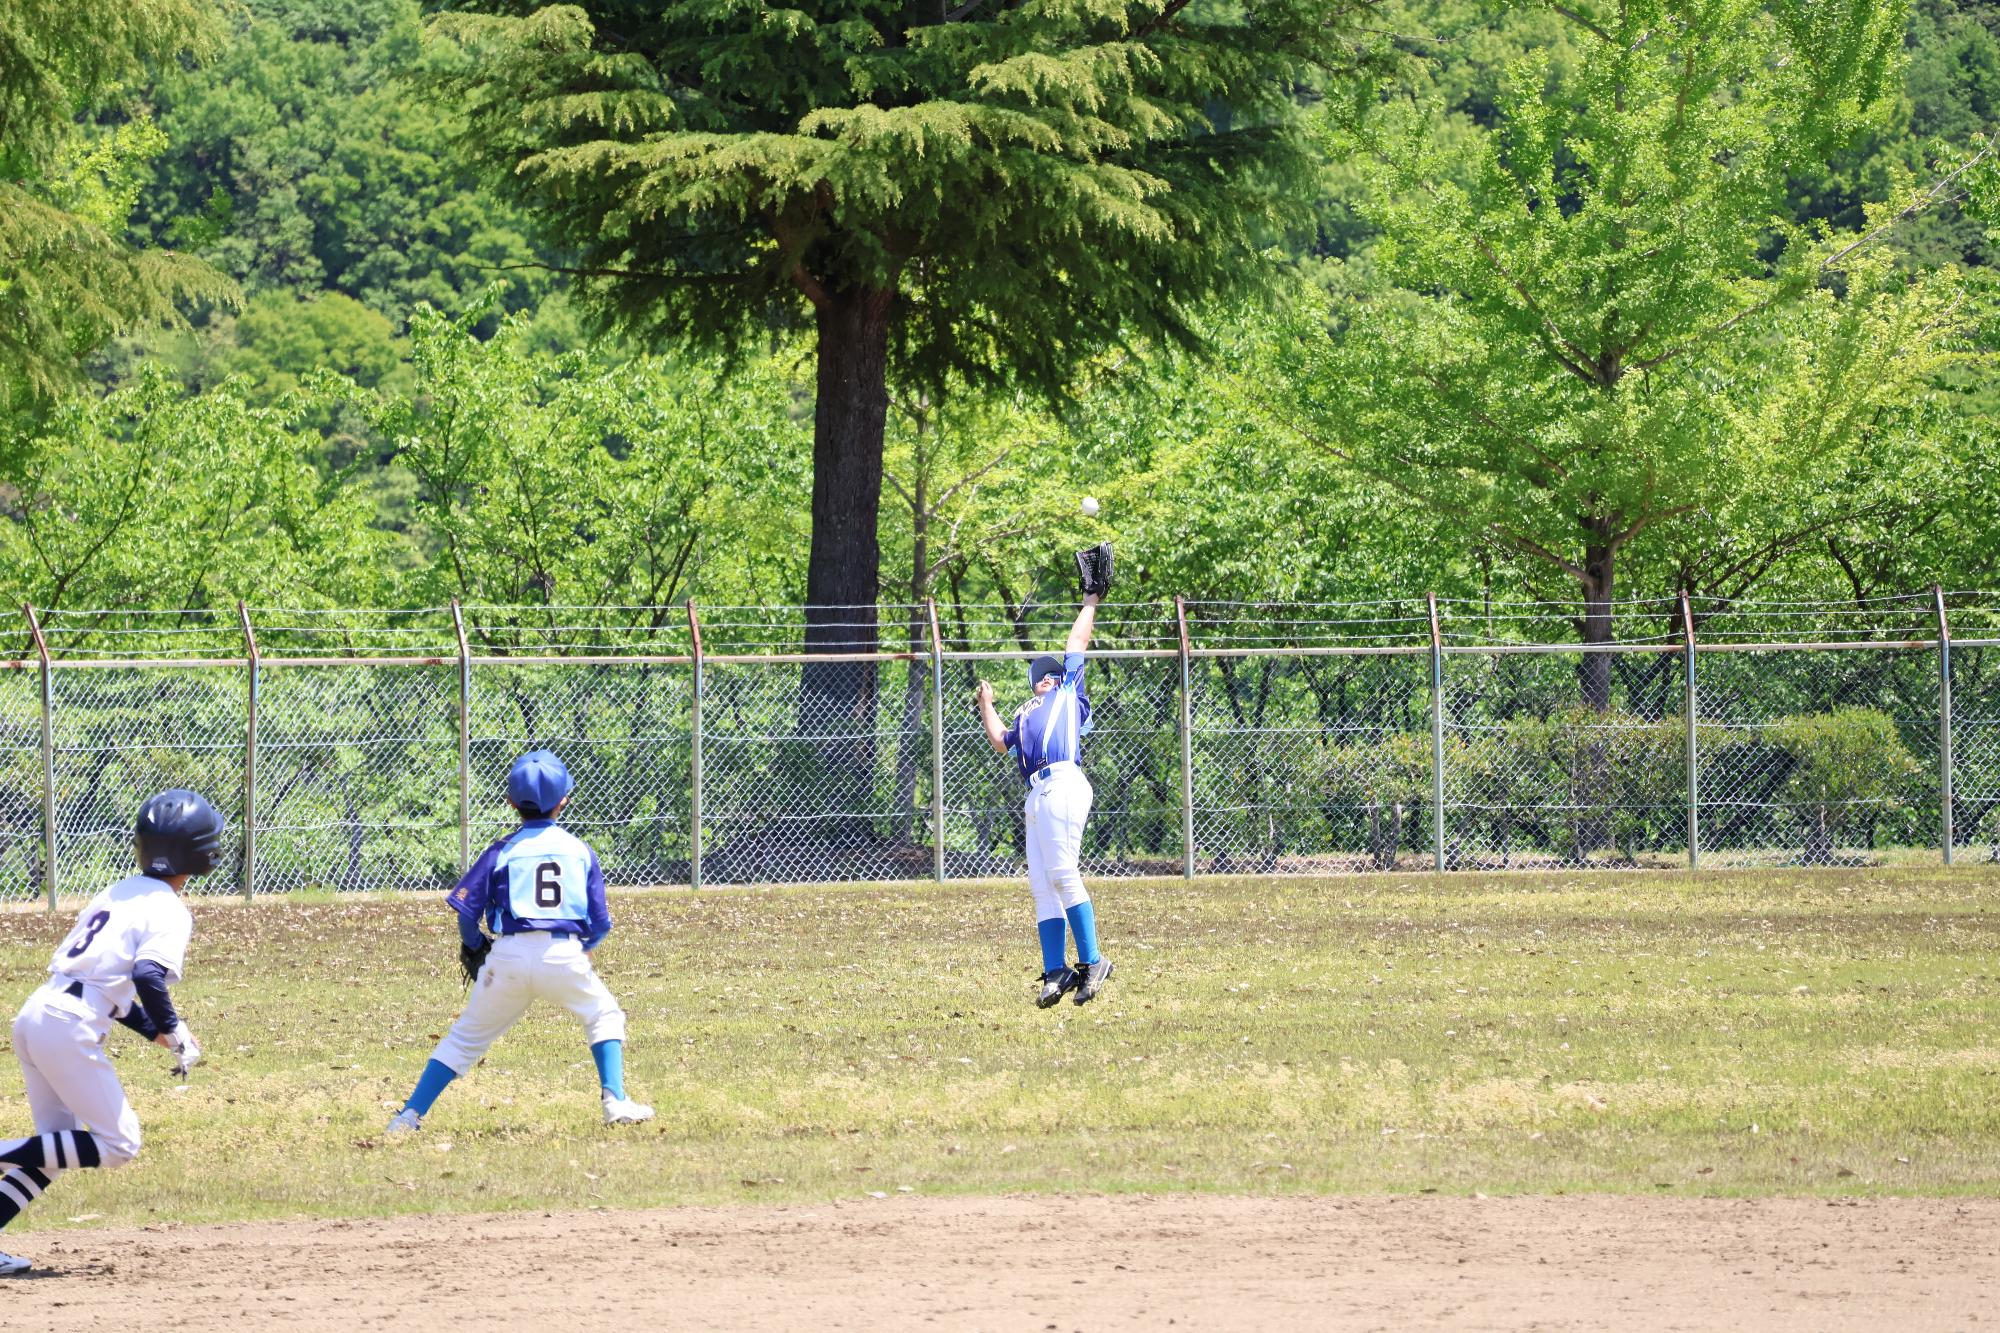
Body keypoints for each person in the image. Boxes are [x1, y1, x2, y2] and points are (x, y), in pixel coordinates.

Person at [0, 789, 219, 1276]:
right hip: (68, 1024)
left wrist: (154, 1033)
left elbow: (105, 984)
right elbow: (147, 975)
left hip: (40, 1010)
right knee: (119, 1145)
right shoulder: (171, 909)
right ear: (201, 854)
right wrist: (173, 1029)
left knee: (55, 1149)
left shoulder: (119, 891)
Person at [385, 750, 653, 1134]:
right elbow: (600, 922)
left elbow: (465, 910)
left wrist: (475, 943)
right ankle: (614, 1101)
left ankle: (407, 1117)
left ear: (511, 803)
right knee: (603, 1015)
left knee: (464, 1040)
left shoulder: (502, 851)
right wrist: (584, 948)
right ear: (565, 800)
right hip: (562, 952)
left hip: (508, 955)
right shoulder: (579, 851)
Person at [975, 552, 1115, 1008]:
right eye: (1039, 675)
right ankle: (1057, 969)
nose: (1042, 678)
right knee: (1041, 885)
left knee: (1062, 873)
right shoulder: (1024, 713)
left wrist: (1091, 599)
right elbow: (1000, 741)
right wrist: (986, 704)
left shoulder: (1069, 692)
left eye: (1047, 674)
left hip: (1064, 783)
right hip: (1037, 794)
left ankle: (1093, 962)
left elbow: (1077, 642)